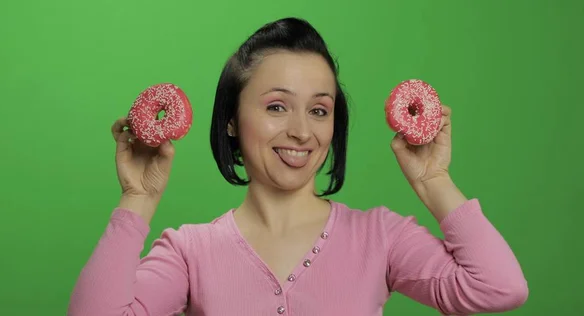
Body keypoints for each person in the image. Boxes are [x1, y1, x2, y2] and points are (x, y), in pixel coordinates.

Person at [67, 17, 528, 316]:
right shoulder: (190, 251)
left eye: (319, 110)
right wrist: (138, 200)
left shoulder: (380, 237)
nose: (302, 132)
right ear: (231, 120)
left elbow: (499, 287)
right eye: (276, 107)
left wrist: (434, 180)